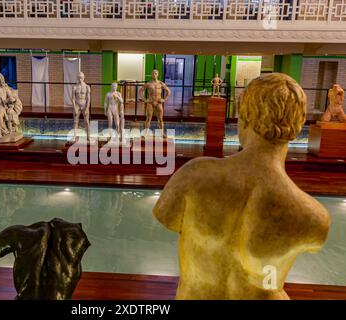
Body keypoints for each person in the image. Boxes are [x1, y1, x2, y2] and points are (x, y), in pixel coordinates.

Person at [153, 73, 331, 300]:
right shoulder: (314, 217)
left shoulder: (193, 176)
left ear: (243, 118)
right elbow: (270, 279)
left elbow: (165, 216)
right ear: (299, 124)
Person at [139, 69, 171, 135]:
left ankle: (162, 133)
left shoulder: (161, 83)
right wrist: (145, 99)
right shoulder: (148, 84)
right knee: (148, 119)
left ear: (158, 74)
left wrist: (164, 99)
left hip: (158, 102)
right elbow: (140, 91)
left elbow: (168, 91)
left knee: (160, 119)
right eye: (153, 73)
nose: (154, 75)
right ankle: (146, 133)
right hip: (150, 102)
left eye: (156, 73)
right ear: (151, 74)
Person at [72, 72, 91, 142]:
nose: (80, 79)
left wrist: (87, 108)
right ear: (77, 78)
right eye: (79, 78)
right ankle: (74, 136)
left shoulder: (87, 87)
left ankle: (88, 136)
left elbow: (88, 99)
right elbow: (73, 99)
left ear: (84, 78)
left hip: (84, 105)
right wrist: (74, 108)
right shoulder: (74, 87)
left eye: (81, 78)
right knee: (75, 121)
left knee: (86, 121)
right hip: (77, 105)